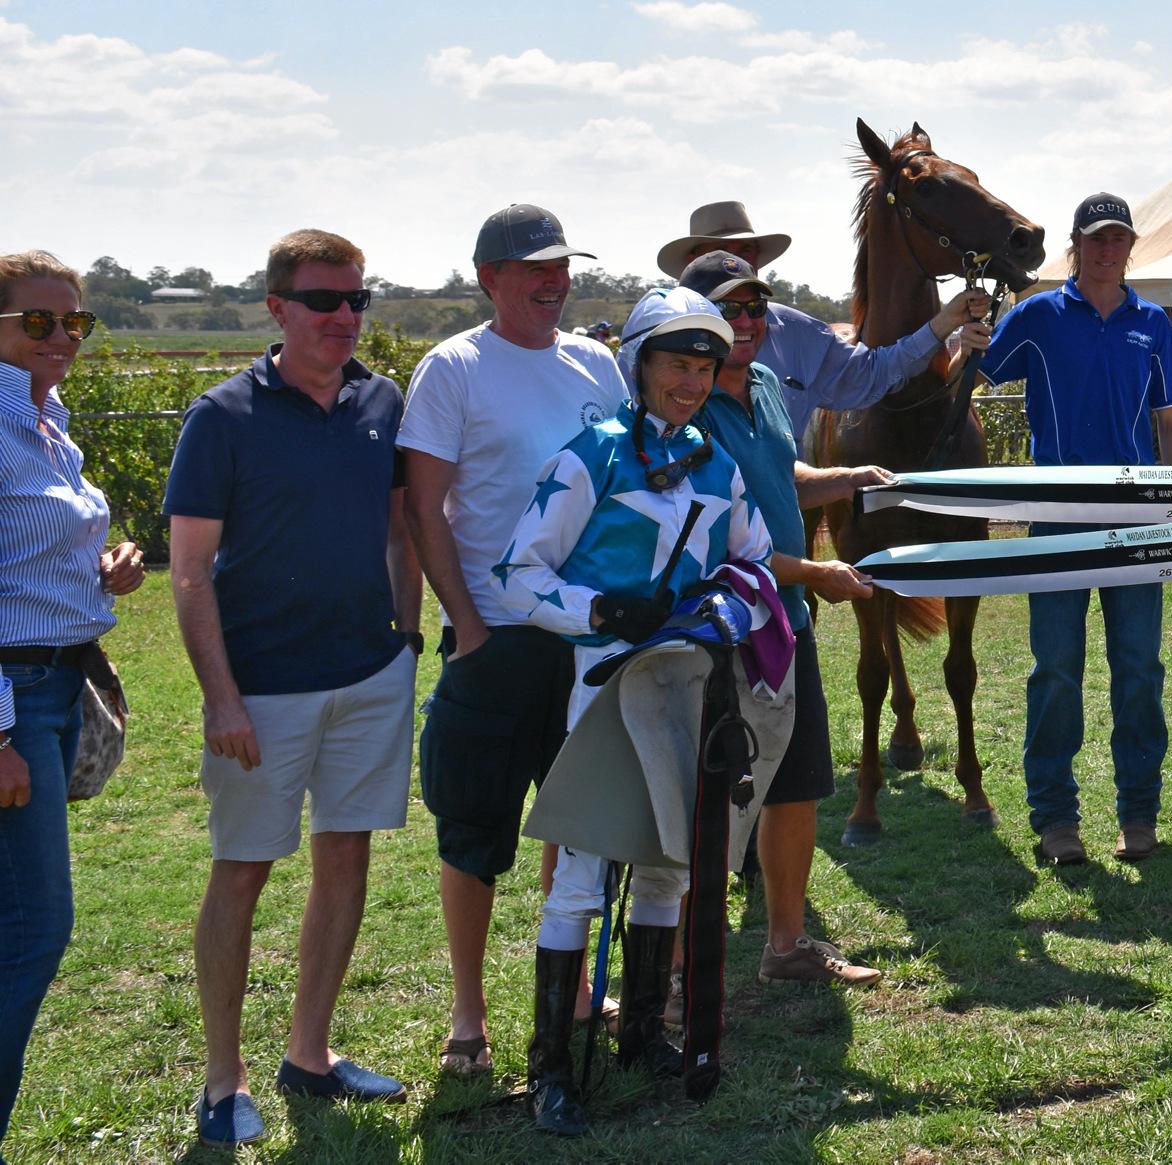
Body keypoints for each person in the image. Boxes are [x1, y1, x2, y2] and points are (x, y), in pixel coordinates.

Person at [493, 289, 776, 1136]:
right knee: (581, 875)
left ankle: (645, 1033)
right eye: (675, 365)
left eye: (704, 367)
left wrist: (726, 610)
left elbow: (754, 562)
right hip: (599, 687)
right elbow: (517, 573)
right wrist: (602, 612)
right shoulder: (593, 457)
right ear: (639, 365)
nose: (691, 383)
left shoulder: (719, 466)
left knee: (668, 864)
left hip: (683, 685)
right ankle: (550, 1066)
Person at [163, 232, 421, 1143]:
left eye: (358, 299)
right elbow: (189, 573)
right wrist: (222, 696)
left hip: (367, 677)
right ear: (277, 308)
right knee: (242, 871)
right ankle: (221, 1078)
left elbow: (400, 531)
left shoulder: (381, 400)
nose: (346, 316)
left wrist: (407, 639)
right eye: (325, 300)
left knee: (345, 857)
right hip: (261, 691)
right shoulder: (222, 416)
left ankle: (308, 1054)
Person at [399, 204, 619, 1080]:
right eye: (535, 268)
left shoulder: (597, 364)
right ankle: (468, 1011)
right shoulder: (454, 367)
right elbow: (424, 508)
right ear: (489, 276)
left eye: (562, 266)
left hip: (585, 638)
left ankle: (567, 991)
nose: (553, 282)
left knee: (575, 822)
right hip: (498, 640)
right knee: (476, 832)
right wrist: (473, 626)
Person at [679, 251, 891, 987]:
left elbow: (782, 475)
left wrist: (849, 477)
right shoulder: (686, 405)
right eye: (728, 309)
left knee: (796, 784)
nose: (745, 322)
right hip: (723, 627)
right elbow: (713, 549)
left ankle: (787, 944)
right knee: (712, 800)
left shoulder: (767, 383)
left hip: (785, 621)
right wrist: (817, 574)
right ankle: (677, 977)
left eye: (755, 307)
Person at [978, 193, 1172, 866]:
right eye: (1096, 238)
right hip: (1058, 516)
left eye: (1118, 238)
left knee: (1138, 669)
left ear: (1131, 245)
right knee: (1057, 669)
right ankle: (1056, 816)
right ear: (1076, 245)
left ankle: (1138, 810)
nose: (1108, 249)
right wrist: (961, 332)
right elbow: (980, 372)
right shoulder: (1039, 313)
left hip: (1135, 517)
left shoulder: (1152, 322)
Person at [0, 253, 146, 1158]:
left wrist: (101, 571)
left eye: (76, 323)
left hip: (54, 677)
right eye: (39, 323)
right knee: (35, 924)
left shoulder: (49, 424)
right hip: (15, 694)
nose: (64, 338)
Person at [656, 200, 983, 437]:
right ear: (693, 261)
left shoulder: (797, 334)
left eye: (745, 251)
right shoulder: (652, 340)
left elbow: (870, 373)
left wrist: (943, 322)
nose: (735, 263)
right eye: (721, 252)